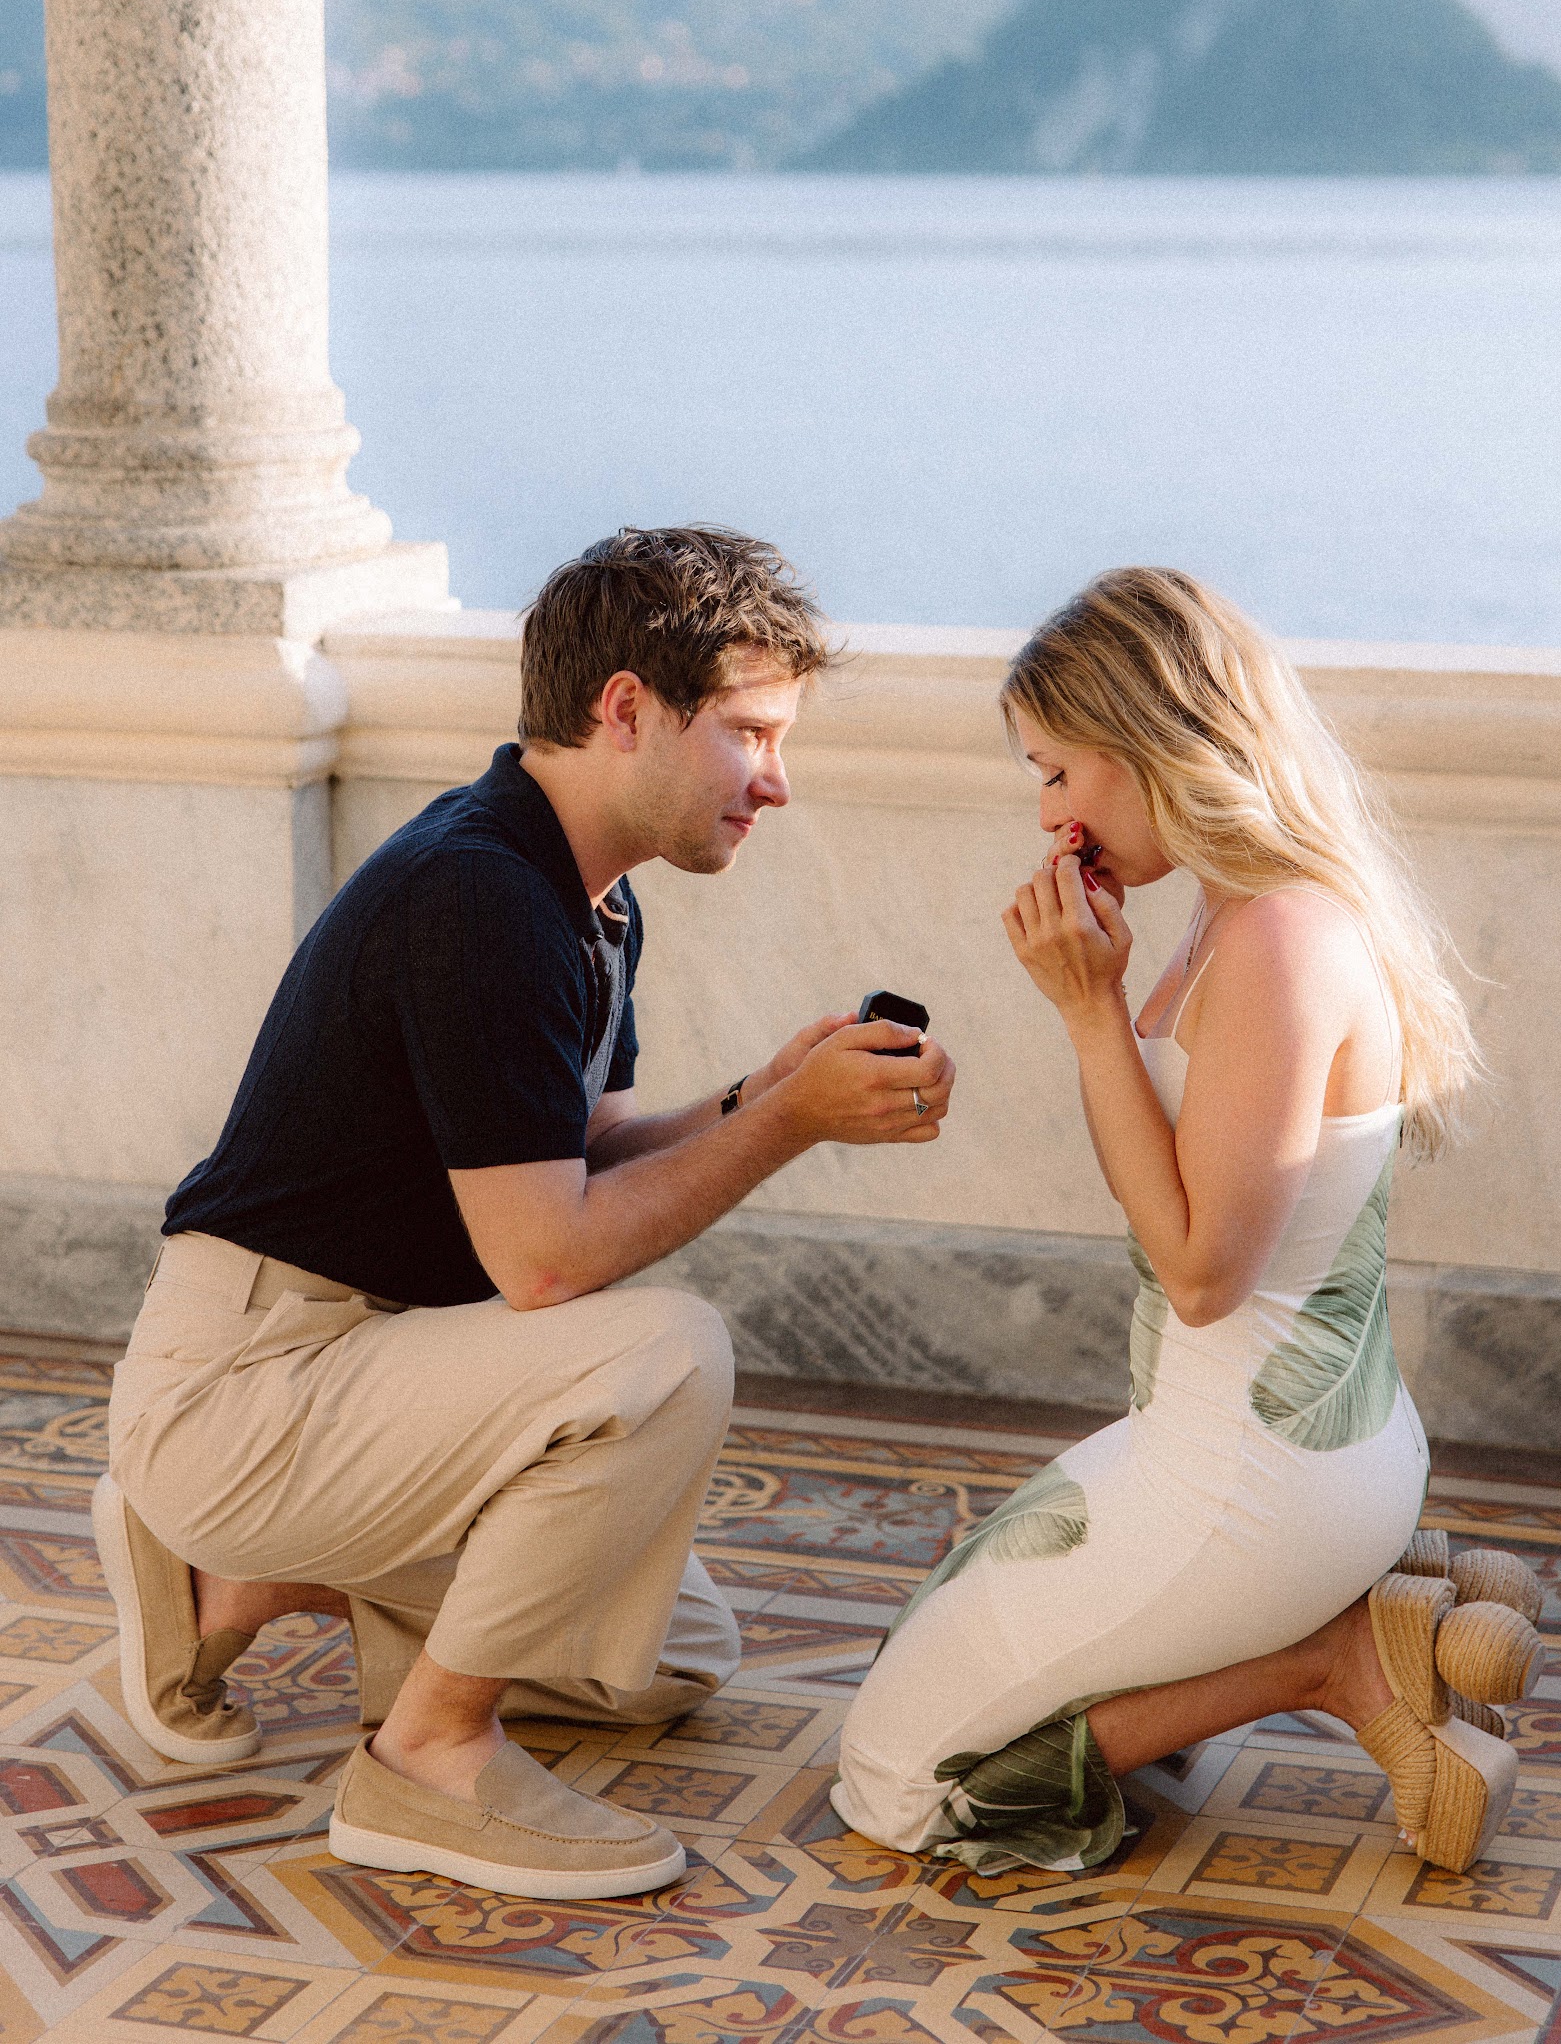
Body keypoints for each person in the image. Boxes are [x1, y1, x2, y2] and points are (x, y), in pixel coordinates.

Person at [96, 526, 955, 1904]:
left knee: (663, 1656)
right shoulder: (478, 894)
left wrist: (764, 1091)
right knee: (668, 1350)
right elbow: (546, 1262)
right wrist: (786, 1126)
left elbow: (583, 1150)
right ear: (627, 708)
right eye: (749, 734)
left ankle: (228, 1582)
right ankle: (426, 1756)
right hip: (252, 1381)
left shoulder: (587, 896)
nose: (775, 781)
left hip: (364, 1367)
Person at [832, 566, 1543, 1879]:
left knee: (895, 1779)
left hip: (1257, 1489)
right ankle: (1380, 1609)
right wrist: (1100, 996)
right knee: (929, 1648)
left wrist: (1088, 1012)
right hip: (1278, 1454)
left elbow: (1206, 1274)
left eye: (1058, 771)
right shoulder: (1240, 911)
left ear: (1148, 740)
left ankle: (1332, 1659)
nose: (1046, 812)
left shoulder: (1276, 942)